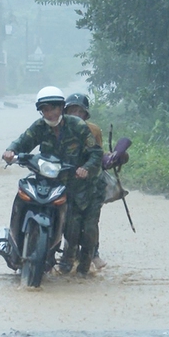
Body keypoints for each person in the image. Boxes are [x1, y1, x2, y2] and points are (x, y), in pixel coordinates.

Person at [2, 86, 103, 276]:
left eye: (53, 108)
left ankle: (81, 272)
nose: (49, 113)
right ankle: (16, 245)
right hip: (52, 182)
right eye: (45, 110)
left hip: (82, 187)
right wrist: (10, 151)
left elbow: (96, 154)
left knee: (81, 231)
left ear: (61, 108)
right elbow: (23, 141)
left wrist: (85, 169)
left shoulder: (78, 127)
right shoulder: (39, 127)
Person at [64, 93, 108, 270]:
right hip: (68, 182)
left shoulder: (93, 131)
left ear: (85, 114)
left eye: (79, 111)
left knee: (90, 226)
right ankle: (64, 256)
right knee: (70, 225)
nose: (75, 115)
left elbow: (98, 154)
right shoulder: (60, 130)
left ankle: (91, 256)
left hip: (90, 184)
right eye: (72, 111)